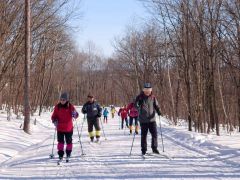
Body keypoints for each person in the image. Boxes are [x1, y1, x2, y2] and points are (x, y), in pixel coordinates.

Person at [135, 83, 162, 155]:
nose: (147, 91)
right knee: (144, 135)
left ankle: (154, 148)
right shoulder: (139, 97)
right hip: (143, 120)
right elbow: (136, 105)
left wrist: (158, 110)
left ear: (151, 90)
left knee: (154, 134)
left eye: (149, 90)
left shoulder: (153, 97)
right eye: (146, 90)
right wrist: (138, 103)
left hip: (152, 120)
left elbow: (156, 105)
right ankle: (143, 149)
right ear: (143, 90)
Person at [51, 92, 79, 161]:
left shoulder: (70, 106)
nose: (62, 101)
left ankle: (68, 153)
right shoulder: (57, 107)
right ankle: (60, 154)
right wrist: (54, 120)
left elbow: (76, 115)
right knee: (60, 142)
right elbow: (53, 116)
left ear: (66, 100)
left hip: (68, 128)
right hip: (60, 128)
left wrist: (75, 114)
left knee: (69, 141)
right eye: (61, 99)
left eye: (64, 99)